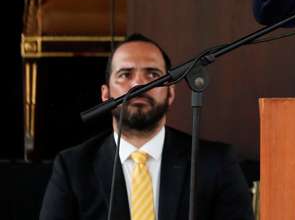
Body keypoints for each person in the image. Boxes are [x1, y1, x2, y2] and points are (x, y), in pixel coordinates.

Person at [39, 34, 253, 220]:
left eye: (152, 75)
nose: (138, 85)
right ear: (105, 94)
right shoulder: (73, 167)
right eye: (125, 75)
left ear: (171, 93)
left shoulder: (215, 163)